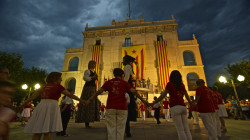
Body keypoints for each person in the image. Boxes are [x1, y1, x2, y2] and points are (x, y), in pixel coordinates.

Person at [85, 68, 147, 140]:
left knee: (111, 129)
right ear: (122, 74)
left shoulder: (108, 82)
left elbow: (98, 92)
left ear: (114, 74)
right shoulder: (124, 83)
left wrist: (89, 100)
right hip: (122, 108)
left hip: (111, 108)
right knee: (121, 129)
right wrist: (144, 101)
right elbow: (134, 92)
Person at [20, 72, 85, 140]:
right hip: (52, 106)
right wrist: (81, 100)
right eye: (60, 78)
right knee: (47, 131)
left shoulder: (44, 86)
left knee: (37, 131)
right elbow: (70, 95)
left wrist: (21, 106)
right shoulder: (58, 86)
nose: (61, 79)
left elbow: (31, 97)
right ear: (55, 78)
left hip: (41, 106)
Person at [150, 70, 193, 140]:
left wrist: (153, 102)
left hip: (175, 107)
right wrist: (190, 103)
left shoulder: (170, 84)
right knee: (186, 129)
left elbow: (162, 96)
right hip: (183, 107)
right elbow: (187, 95)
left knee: (180, 130)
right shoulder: (182, 85)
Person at [75, 60, 100, 128]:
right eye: (92, 64)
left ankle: (89, 120)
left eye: (94, 64)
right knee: (87, 102)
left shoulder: (94, 72)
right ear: (89, 65)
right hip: (88, 88)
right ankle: (86, 122)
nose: (93, 66)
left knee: (92, 104)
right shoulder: (87, 71)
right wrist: (92, 77)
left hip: (93, 88)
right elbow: (85, 78)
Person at [122, 55, 138, 137]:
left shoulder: (127, 66)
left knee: (126, 106)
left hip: (127, 87)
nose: (122, 61)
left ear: (127, 60)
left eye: (123, 60)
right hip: (129, 86)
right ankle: (127, 130)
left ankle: (127, 130)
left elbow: (126, 78)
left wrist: (122, 85)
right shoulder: (129, 66)